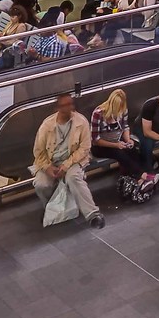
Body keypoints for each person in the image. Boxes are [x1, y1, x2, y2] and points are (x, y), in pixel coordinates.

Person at [31, 91, 104, 228]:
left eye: (70, 104)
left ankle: (93, 214)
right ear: (57, 108)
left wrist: (66, 165)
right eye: (65, 105)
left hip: (73, 161)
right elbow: (38, 151)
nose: (69, 108)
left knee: (73, 178)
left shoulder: (81, 122)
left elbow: (84, 148)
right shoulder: (47, 125)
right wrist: (47, 167)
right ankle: (50, 208)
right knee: (41, 184)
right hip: (50, 161)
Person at [91, 88, 153, 181]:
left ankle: (135, 177)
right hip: (101, 146)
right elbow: (95, 140)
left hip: (117, 141)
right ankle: (141, 175)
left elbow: (125, 127)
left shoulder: (123, 110)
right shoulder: (98, 114)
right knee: (119, 153)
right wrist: (115, 145)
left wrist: (128, 140)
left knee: (132, 150)